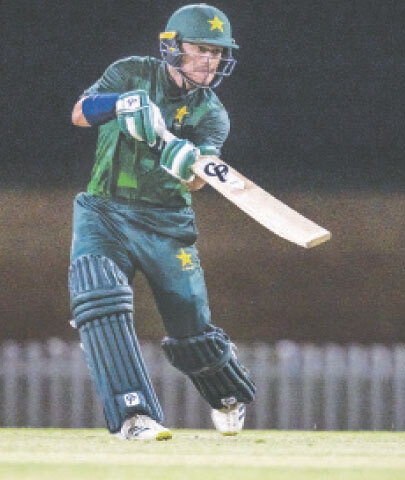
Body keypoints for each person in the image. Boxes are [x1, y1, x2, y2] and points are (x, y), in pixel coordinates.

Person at [68, 4, 256, 441]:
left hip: (167, 224)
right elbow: (79, 112)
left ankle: (228, 392)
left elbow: (198, 180)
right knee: (99, 296)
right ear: (173, 47)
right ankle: (134, 415)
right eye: (201, 49)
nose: (209, 61)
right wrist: (121, 103)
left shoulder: (212, 113)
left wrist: (184, 161)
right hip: (105, 210)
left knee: (190, 328)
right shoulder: (131, 72)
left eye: (217, 52)